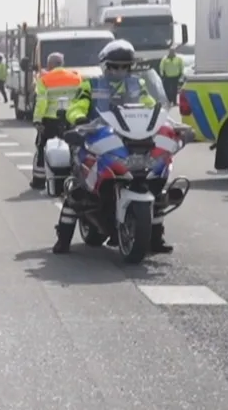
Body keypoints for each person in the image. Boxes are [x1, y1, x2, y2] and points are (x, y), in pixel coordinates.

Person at [54, 39, 172, 254]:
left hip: (130, 138)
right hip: (96, 136)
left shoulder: (138, 84)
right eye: (115, 66)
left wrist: (165, 121)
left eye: (124, 66)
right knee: (78, 191)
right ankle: (63, 238)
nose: (120, 70)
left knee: (156, 183)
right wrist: (79, 119)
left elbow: (151, 106)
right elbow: (77, 106)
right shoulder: (91, 84)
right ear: (105, 65)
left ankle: (156, 237)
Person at [27, 51, 83, 191]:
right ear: (62, 64)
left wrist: (37, 121)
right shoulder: (76, 78)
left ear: (50, 64)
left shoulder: (45, 79)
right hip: (71, 118)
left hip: (50, 120)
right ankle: (75, 178)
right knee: (74, 148)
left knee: (42, 148)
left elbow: (42, 102)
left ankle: (39, 181)